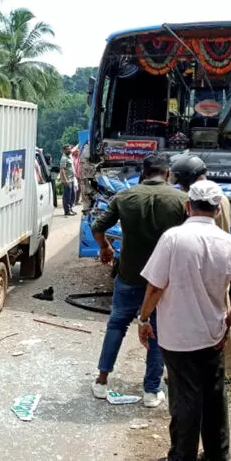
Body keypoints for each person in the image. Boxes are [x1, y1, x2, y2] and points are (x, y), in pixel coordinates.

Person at [137, 180, 231, 461]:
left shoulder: (173, 238)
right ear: (217, 210)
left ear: (187, 206)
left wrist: (143, 319)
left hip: (176, 337)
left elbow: (155, 287)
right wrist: (227, 321)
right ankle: (217, 454)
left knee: (185, 399)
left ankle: (182, 455)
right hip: (212, 335)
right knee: (214, 396)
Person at [91, 152, 187, 408]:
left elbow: (97, 227)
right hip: (163, 280)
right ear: (167, 174)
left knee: (117, 325)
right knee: (158, 331)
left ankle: (101, 381)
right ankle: (151, 391)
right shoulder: (182, 200)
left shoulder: (124, 196)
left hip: (130, 275)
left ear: (143, 173)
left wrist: (106, 248)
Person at [170, 152, 231, 378]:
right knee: (221, 311)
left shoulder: (199, 200)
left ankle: (193, 369)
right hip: (220, 263)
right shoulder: (219, 197)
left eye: (180, 182)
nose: (179, 187)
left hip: (203, 263)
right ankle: (226, 369)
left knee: (194, 314)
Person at [59, 144, 77, 216]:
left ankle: (70, 209)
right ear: (64, 150)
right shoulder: (64, 158)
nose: (69, 150)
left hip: (72, 179)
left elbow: (74, 149)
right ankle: (67, 211)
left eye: (70, 149)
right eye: (67, 149)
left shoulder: (69, 155)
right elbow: (62, 170)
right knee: (67, 196)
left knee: (73, 194)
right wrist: (65, 180)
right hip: (67, 180)